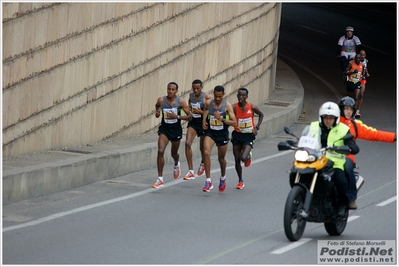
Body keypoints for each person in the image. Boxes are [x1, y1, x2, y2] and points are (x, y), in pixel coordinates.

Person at [338, 96, 396, 209]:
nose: (348, 111)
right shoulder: (330, 121)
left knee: (347, 167)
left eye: (351, 109)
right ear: (341, 109)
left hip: (346, 157)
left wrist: (394, 137)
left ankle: (351, 198)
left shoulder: (355, 125)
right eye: (346, 108)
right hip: (328, 155)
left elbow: (373, 134)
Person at [304, 102, 359, 215]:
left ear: (336, 118)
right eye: (325, 117)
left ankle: (342, 204)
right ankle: (300, 197)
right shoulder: (313, 126)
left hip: (335, 162)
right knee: (298, 170)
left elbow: (353, 145)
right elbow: (304, 138)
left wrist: (347, 147)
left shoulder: (343, 129)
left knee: (340, 181)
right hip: (315, 159)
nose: (328, 120)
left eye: (331, 118)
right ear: (321, 117)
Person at [152, 82, 192, 189]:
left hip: (176, 130)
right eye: (169, 89)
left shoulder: (181, 102)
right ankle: (160, 179)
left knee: (174, 153)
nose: (170, 91)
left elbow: (190, 116)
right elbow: (157, 106)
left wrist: (177, 116)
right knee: (160, 151)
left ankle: (176, 163)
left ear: (176, 91)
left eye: (173, 89)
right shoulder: (161, 100)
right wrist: (157, 112)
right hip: (165, 129)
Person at [201, 85, 237, 192]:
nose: (217, 99)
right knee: (206, 152)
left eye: (219, 97)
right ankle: (208, 181)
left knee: (221, 159)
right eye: (215, 96)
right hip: (211, 132)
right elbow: (206, 110)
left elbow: (235, 123)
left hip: (222, 134)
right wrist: (203, 120)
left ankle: (223, 177)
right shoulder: (209, 103)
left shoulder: (227, 106)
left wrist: (221, 119)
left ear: (223, 95)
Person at [231, 88, 264, 189]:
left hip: (248, 135)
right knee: (237, 160)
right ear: (237, 96)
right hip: (237, 135)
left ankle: (248, 156)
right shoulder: (234, 107)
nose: (241, 97)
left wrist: (257, 127)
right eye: (239, 95)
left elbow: (261, 115)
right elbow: (228, 118)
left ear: (246, 97)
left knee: (243, 158)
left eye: (243, 95)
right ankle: (240, 180)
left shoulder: (252, 107)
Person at [183, 79, 212, 180]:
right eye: (194, 88)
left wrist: (202, 113)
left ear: (202, 88)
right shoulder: (191, 95)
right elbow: (189, 104)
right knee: (187, 143)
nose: (195, 90)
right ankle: (190, 171)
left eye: (198, 89)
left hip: (204, 123)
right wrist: (190, 108)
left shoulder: (206, 97)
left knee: (203, 149)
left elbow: (213, 110)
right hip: (194, 123)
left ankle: (203, 163)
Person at [355, 50, 370, 118]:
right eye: (361, 55)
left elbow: (365, 68)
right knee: (356, 95)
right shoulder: (356, 60)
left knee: (361, 94)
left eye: (363, 55)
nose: (362, 56)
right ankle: (353, 108)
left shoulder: (366, 61)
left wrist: (367, 72)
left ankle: (358, 111)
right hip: (356, 79)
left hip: (363, 79)